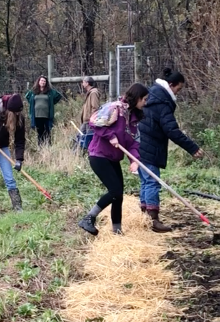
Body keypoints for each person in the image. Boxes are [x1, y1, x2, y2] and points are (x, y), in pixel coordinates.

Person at [138, 68, 204, 232]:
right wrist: (192, 147)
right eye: (178, 89)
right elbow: (172, 131)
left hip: (139, 144)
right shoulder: (162, 103)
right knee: (152, 182)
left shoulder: (152, 96)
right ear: (171, 85)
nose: (178, 93)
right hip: (150, 146)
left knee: (146, 181)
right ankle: (153, 220)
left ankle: (144, 217)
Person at [80, 83, 149, 236]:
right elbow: (95, 123)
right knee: (115, 190)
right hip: (99, 155)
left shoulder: (133, 120)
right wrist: (110, 136)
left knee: (119, 194)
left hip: (113, 158)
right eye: (144, 99)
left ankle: (117, 231)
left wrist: (134, 161)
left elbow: (134, 144)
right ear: (137, 98)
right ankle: (88, 218)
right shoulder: (115, 108)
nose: (146, 102)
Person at [25, 76, 63, 147]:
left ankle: (48, 146)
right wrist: (32, 103)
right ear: (38, 82)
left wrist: (51, 102)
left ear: (46, 83)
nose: (43, 82)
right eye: (41, 81)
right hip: (37, 115)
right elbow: (27, 97)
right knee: (40, 132)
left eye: (44, 81)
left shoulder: (50, 92)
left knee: (47, 132)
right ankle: (40, 146)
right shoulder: (34, 91)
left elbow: (58, 96)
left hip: (47, 115)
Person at [78, 76, 102, 152]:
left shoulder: (93, 93)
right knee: (81, 138)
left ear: (87, 83)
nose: (82, 84)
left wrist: (92, 120)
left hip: (89, 122)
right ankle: (81, 155)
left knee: (88, 140)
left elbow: (95, 107)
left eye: (83, 82)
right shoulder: (90, 93)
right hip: (86, 121)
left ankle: (89, 154)